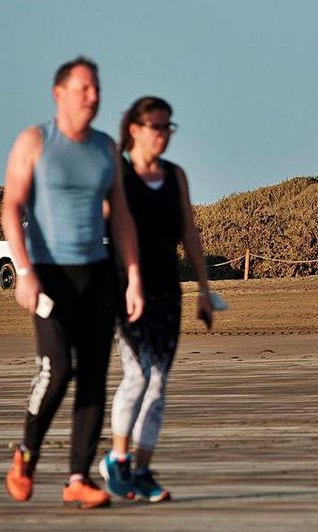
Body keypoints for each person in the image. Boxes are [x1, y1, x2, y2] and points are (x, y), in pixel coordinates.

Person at [2, 56, 145, 509]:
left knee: (95, 378)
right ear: (58, 93)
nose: (93, 96)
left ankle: (78, 477)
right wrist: (24, 273)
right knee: (58, 368)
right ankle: (26, 453)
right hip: (49, 274)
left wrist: (133, 278)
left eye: (97, 88)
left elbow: (121, 215)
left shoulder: (106, 149)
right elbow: (11, 209)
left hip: (98, 274)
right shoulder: (35, 141)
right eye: (83, 87)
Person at [99, 96, 213, 503]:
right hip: (125, 289)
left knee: (160, 382)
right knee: (137, 375)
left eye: (169, 127)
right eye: (156, 127)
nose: (164, 135)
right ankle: (118, 459)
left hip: (168, 290)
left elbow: (190, 232)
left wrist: (202, 287)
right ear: (135, 129)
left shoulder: (174, 175)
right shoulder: (117, 174)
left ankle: (142, 468)